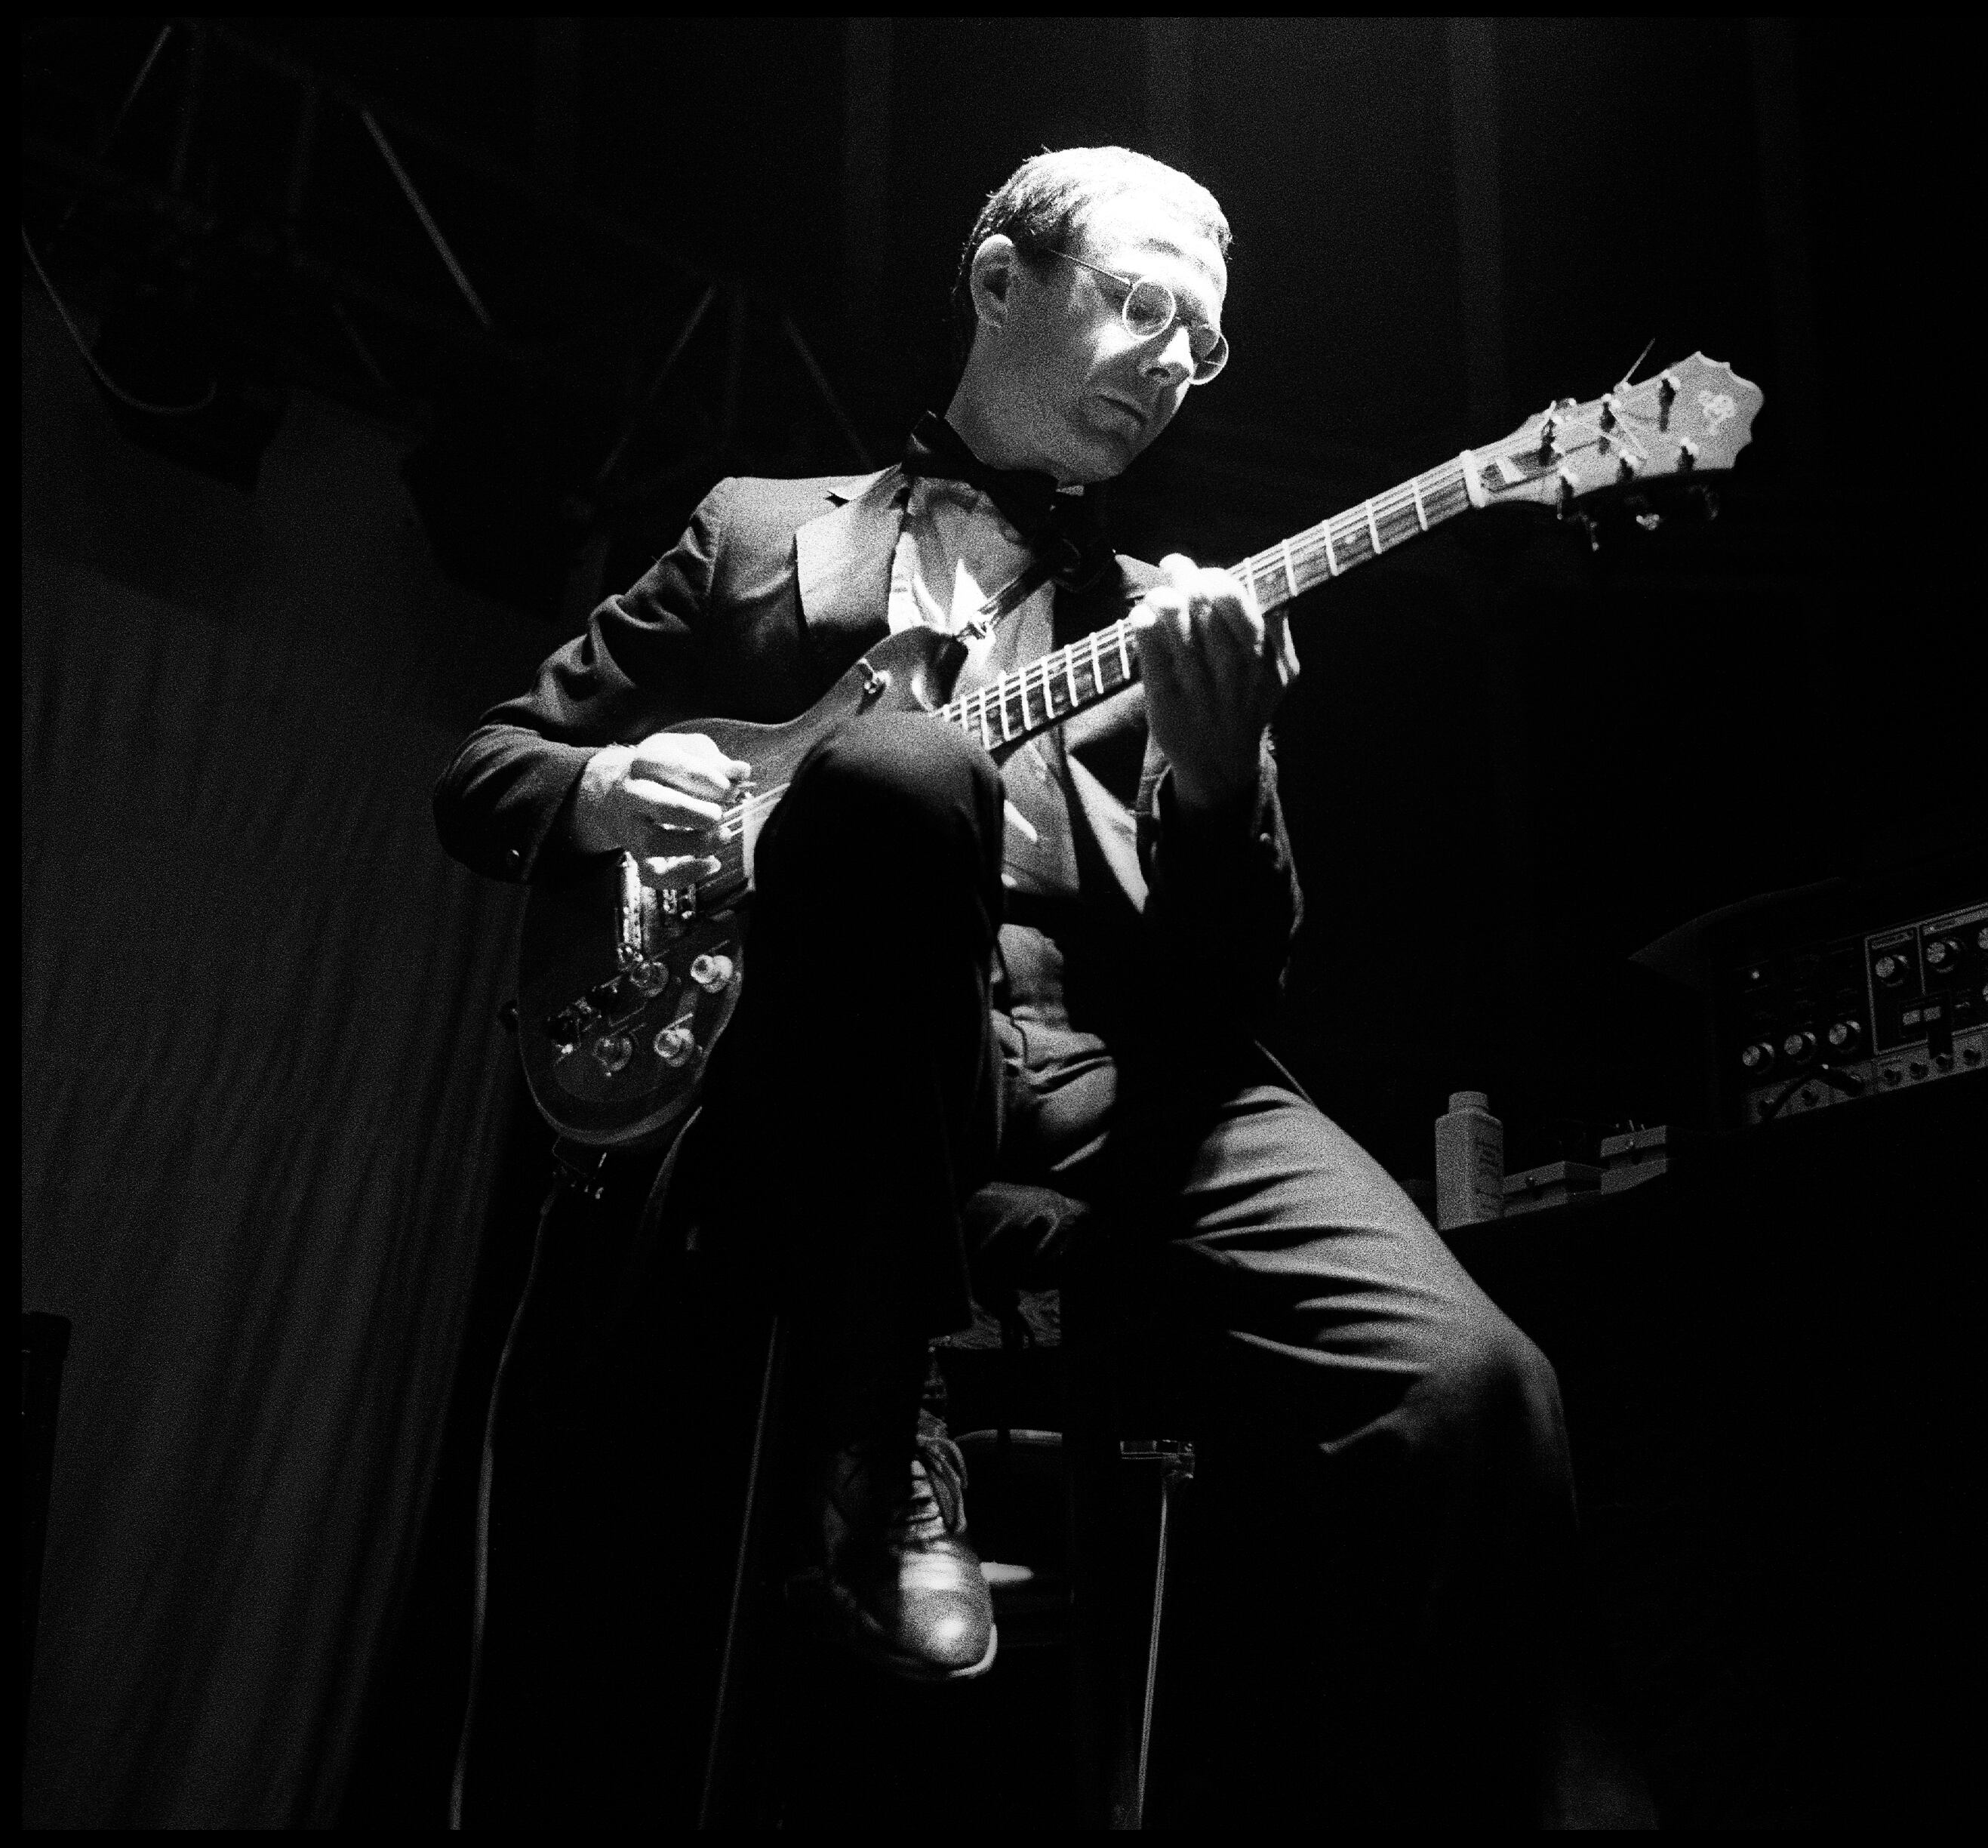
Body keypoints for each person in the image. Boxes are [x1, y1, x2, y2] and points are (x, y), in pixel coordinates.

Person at [435, 146, 1646, 1826]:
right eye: (1139, 305)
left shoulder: (1161, 616)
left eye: (1200, 343)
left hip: (1108, 1071)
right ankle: (877, 1425)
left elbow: (1237, 972)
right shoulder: (753, 539)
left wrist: (1218, 774)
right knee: (904, 778)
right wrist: (600, 787)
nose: (1170, 362)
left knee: (1478, 1387)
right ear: (1001, 281)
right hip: (829, 1074)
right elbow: (484, 768)